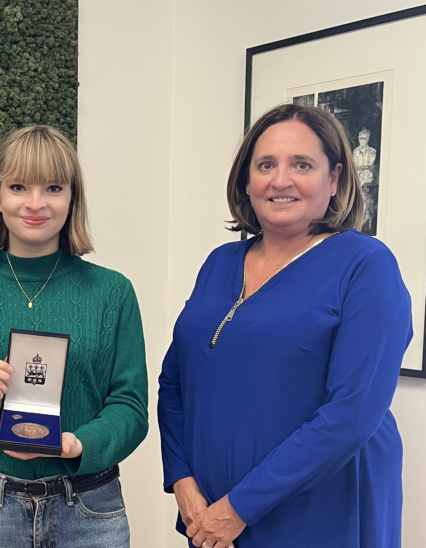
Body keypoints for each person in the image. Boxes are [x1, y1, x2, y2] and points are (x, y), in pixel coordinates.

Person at [158, 103, 411, 548]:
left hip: (319, 517)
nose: (280, 179)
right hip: (211, 516)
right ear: (246, 180)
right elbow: (174, 382)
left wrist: (240, 507)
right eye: (266, 165)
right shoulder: (219, 264)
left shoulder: (366, 266)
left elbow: (351, 415)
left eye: (302, 165)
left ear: (334, 179)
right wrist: (182, 480)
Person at [0, 125, 148, 547]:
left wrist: (76, 444)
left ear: (72, 197)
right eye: (19, 186)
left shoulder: (113, 292)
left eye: (53, 187)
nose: (35, 203)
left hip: (90, 509)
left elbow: (130, 409)